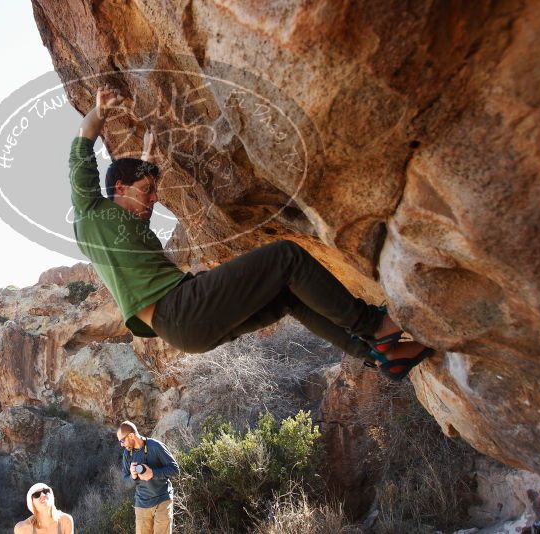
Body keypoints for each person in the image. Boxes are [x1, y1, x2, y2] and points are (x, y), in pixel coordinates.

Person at [69, 85, 435, 380]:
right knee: (286, 257)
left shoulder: (133, 228)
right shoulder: (90, 212)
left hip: (185, 327)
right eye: (147, 190)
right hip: (178, 314)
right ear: (118, 187)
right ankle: (376, 326)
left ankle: (379, 355)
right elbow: (81, 147)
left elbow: (149, 271)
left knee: (287, 297)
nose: (154, 199)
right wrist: (100, 111)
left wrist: (148, 160)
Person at [117, 421, 178, 534]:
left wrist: (153, 473)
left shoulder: (155, 446)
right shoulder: (127, 454)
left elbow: (175, 469)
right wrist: (133, 476)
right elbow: (126, 482)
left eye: (122, 440)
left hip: (163, 500)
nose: (121, 444)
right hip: (142, 505)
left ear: (131, 435)